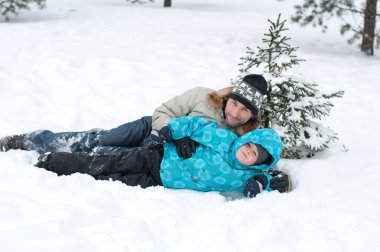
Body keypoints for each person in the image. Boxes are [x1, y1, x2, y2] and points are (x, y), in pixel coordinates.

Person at [0, 74, 267, 156]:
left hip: (156, 156)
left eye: (245, 111)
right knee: (93, 141)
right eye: (235, 104)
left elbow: (259, 159)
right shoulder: (202, 96)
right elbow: (163, 112)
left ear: (252, 116)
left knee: (99, 154)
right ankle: (27, 140)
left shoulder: (244, 137)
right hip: (147, 129)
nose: (236, 113)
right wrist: (166, 133)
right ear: (229, 96)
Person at [35, 116, 286, 198]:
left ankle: (74, 180)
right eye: (250, 146)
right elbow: (193, 124)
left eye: (255, 155)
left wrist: (263, 184)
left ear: (261, 162)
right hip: (157, 158)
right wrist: (168, 132)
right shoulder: (223, 138)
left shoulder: (249, 174)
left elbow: (267, 179)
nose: (248, 153)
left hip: (161, 182)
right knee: (105, 163)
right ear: (245, 139)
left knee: (113, 181)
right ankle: (54, 161)